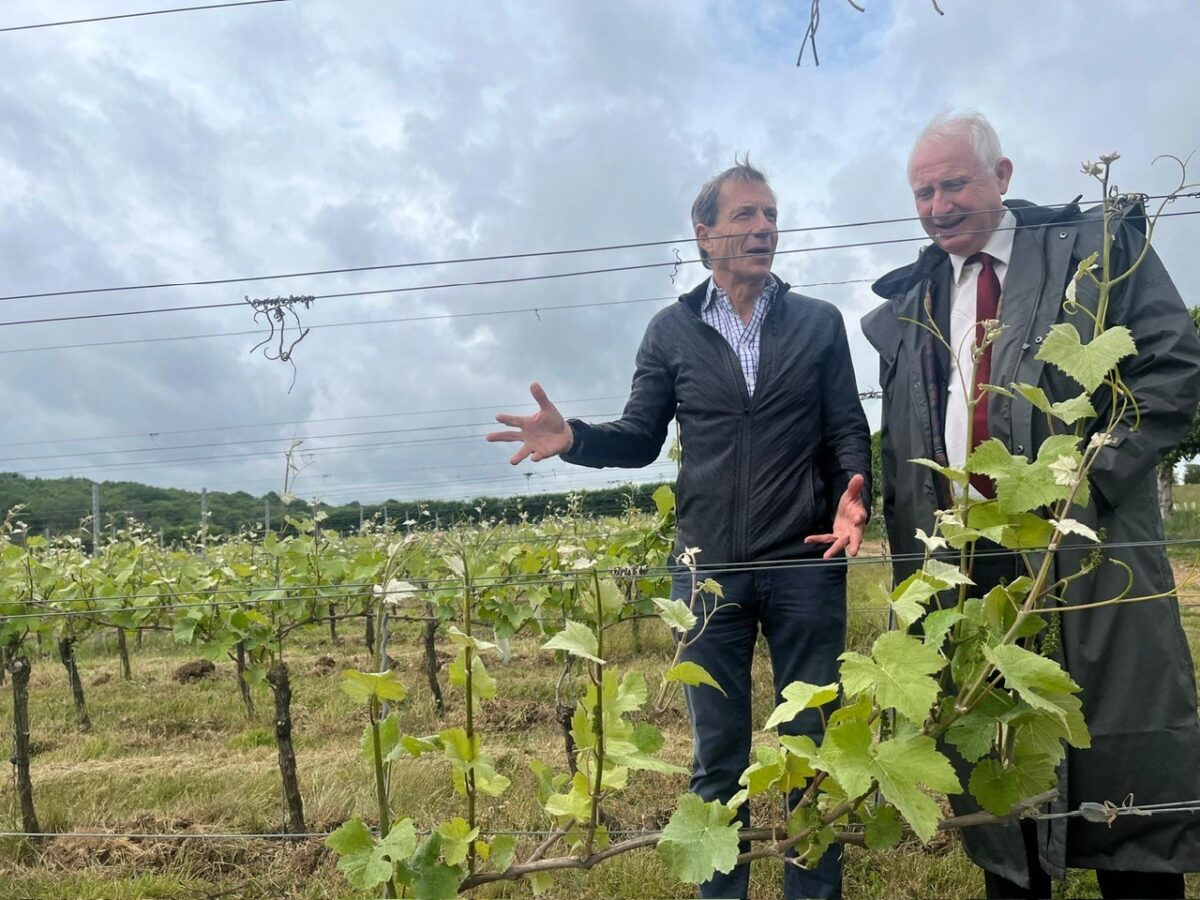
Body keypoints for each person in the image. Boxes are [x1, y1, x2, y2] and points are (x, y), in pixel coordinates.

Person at [488, 158, 871, 899]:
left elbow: (847, 433)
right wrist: (577, 439)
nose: (763, 228)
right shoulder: (670, 331)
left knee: (813, 749)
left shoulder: (819, 323)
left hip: (805, 567)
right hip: (707, 574)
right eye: (745, 216)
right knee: (718, 756)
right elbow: (639, 436)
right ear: (704, 235)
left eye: (770, 216)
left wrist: (855, 500)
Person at [862, 110, 1200, 899]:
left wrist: (1085, 478)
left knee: (1122, 762)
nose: (937, 206)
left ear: (1003, 176)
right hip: (968, 563)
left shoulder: (1097, 250)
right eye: (922, 193)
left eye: (954, 184)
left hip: (1088, 547)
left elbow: (1172, 369)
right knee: (997, 765)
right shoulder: (911, 302)